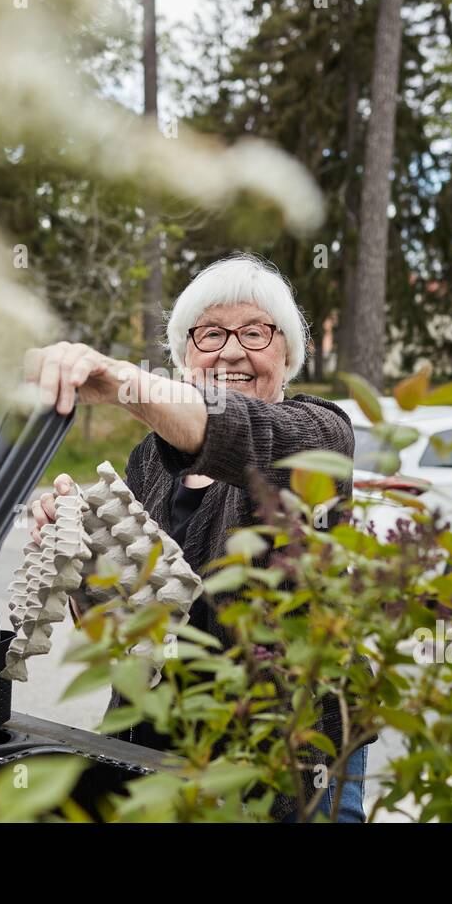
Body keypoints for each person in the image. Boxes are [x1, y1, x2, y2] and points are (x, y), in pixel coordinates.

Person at [24, 253, 370, 822]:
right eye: (209, 334)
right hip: (153, 749)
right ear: (185, 356)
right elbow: (116, 629)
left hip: (284, 761)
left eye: (255, 332)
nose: (231, 351)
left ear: (288, 357)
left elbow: (248, 432)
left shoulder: (319, 437)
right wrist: (73, 554)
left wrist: (123, 382)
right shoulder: (149, 464)